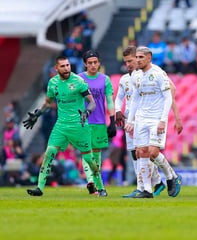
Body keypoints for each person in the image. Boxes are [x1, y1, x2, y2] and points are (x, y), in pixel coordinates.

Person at [24, 56, 107, 196]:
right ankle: (39, 188)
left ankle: (101, 187)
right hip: (61, 126)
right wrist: (37, 114)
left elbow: (92, 102)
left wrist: (86, 113)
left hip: (79, 125)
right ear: (57, 69)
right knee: (49, 152)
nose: (67, 68)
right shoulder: (52, 83)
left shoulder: (78, 81)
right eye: (63, 66)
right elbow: (48, 103)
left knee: (88, 159)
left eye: (68, 65)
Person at [117, 46, 183, 198]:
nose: (138, 60)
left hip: (155, 119)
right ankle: (146, 190)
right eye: (137, 57)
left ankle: (172, 176)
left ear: (149, 57)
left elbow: (168, 97)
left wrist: (163, 120)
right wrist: (132, 120)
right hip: (141, 119)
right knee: (140, 152)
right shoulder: (136, 76)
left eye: (141, 57)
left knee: (153, 152)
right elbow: (134, 99)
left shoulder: (158, 74)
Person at [78, 50, 116, 194]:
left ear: (99, 62)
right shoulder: (79, 79)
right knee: (86, 153)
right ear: (85, 64)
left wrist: (112, 121)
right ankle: (91, 181)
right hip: (84, 122)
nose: (93, 65)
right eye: (90, 63)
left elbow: (110, 101)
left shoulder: (105, 79)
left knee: (97, 154)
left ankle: (92, 180)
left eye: (95, 62)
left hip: (100, 121)